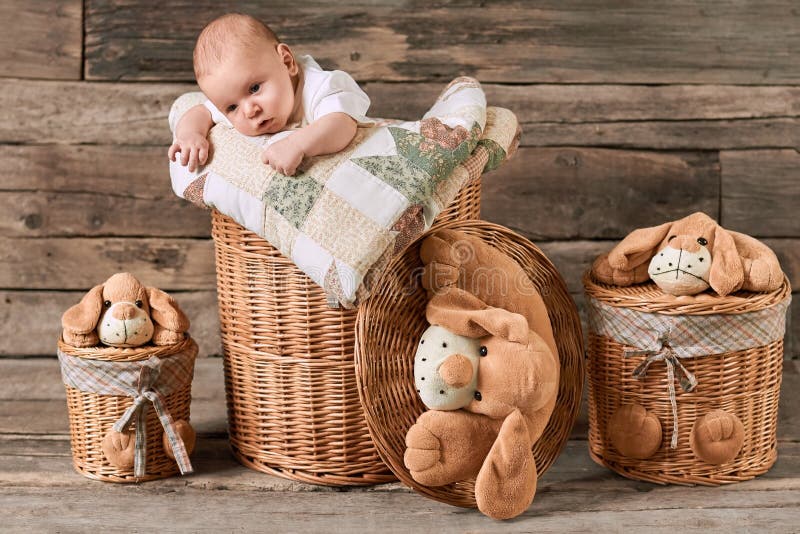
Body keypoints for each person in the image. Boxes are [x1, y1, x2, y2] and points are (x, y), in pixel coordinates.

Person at [168, 13, 372, 176]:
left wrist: (297, 144)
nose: (249, 110)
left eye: (255, 88)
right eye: (232, 108)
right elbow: (201, 111)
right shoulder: (233, 95)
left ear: (287, 62)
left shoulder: (320, 87)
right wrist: (190, 135)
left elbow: (341, 124)